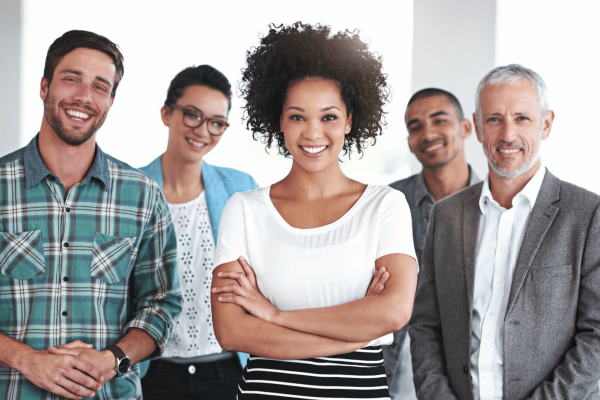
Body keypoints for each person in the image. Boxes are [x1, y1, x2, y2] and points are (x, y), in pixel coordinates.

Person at [210, 23, 418, 399]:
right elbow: (233, 331)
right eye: (297, 116)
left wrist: (274, 316)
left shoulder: (385, 206)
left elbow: (393, 314)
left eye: (329, 117)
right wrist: (355, 332)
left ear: (350, 120)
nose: (313, 133)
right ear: (279, 120)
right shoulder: (244, 210)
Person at [0, 30, 182, 400]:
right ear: (44, 86)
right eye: (72, 79)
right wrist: (25, 359)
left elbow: (161, 303)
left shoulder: (143, 195)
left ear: (111, 101)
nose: (84, 96)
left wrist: (112, 360)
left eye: (100, 86)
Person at [409, 64, 600, 400]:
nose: (507, 134)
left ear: (546, 124)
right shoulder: (447, 215)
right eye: (494, 119)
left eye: (522, 118)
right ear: (478, 128)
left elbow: (596, 335)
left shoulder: (588, 214)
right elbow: (425, 325)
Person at [138, 64, 258, 399]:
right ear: (167, 113)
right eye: (192, 115)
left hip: (228, 371)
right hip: (153, 372)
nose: (203, 130)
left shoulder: (240, 188)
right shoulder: (131, 188)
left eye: (217, 122)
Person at [384, 88, 480, 399]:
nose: (428, 133)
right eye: (415, 127)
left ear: (466, 128)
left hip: (472, 369)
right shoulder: (386, 203)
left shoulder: (497, 203)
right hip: (393, 369)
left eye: (439, 121)